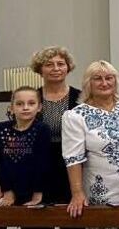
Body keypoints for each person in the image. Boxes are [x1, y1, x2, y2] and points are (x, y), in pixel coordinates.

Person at [63, 61, 119, 218]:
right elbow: (73, 159)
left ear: (116, 80)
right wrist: (77, 193)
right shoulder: (75, 116)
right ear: (88, 83)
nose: (104, 83)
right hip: (102, 190)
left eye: (109, 78)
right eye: (97, 78)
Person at [0, 86, 50, 207]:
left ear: (39, 107)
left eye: (31, 103)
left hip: (37, 188)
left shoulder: (42, 129)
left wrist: (38, 194)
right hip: (11, 187)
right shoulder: (1, 129)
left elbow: (42, 164)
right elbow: (1, 163)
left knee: (35, 223)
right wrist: (7, 191)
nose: (25, 107)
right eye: (19, 104)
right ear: (11, 108)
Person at [31, 45, 81, 204]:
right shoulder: (31, 98)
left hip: (74, 165)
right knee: (37, 222)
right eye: (49, 64)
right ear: (40, 69)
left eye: (60, 64)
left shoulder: (81, 98)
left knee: (73, 220)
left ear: (68, 68)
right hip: (39, 164)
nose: (56, 68)